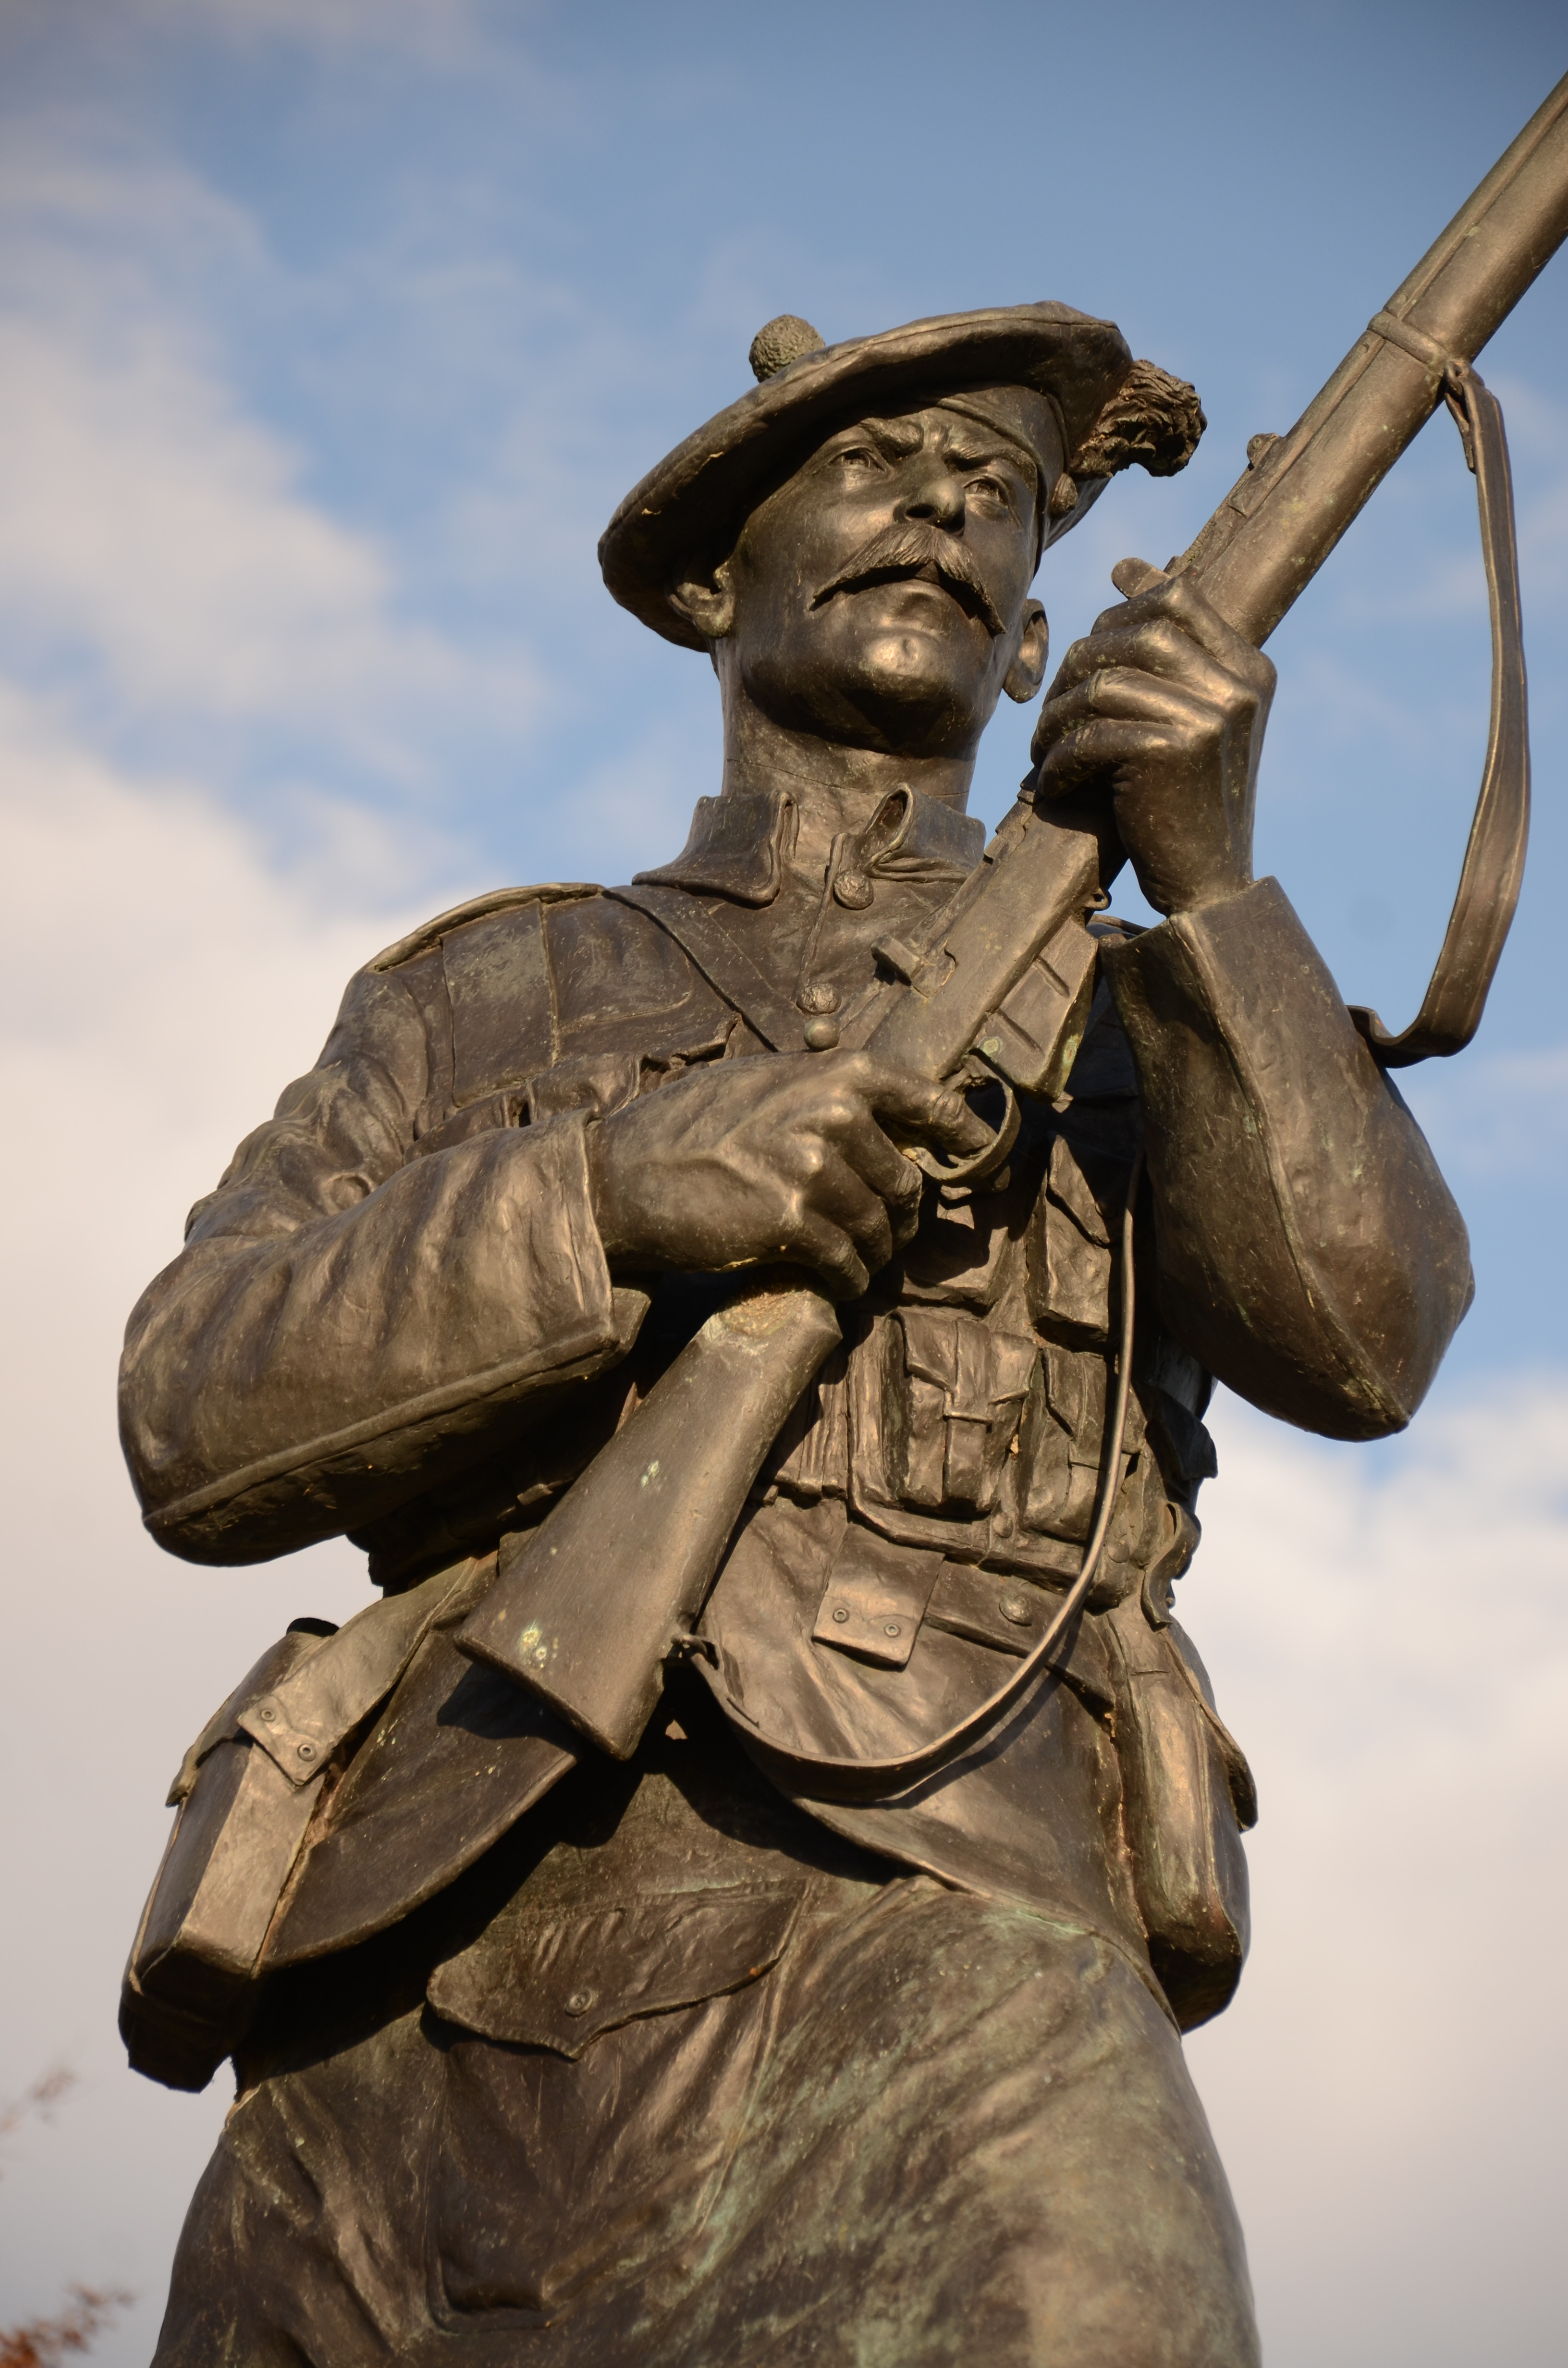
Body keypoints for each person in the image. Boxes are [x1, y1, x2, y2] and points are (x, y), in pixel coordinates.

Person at [122, 305, 1471, 2367]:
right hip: (420, 1946)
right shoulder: (472, 998)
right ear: (710, 582)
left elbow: (1368, 1336)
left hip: (960, 1933)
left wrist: (1211, 884)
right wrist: (607, 1192)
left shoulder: (1162, 1001)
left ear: (1037, 641)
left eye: (994, 491)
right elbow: (191, 1404)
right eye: (869, 465)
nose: (938, 507)